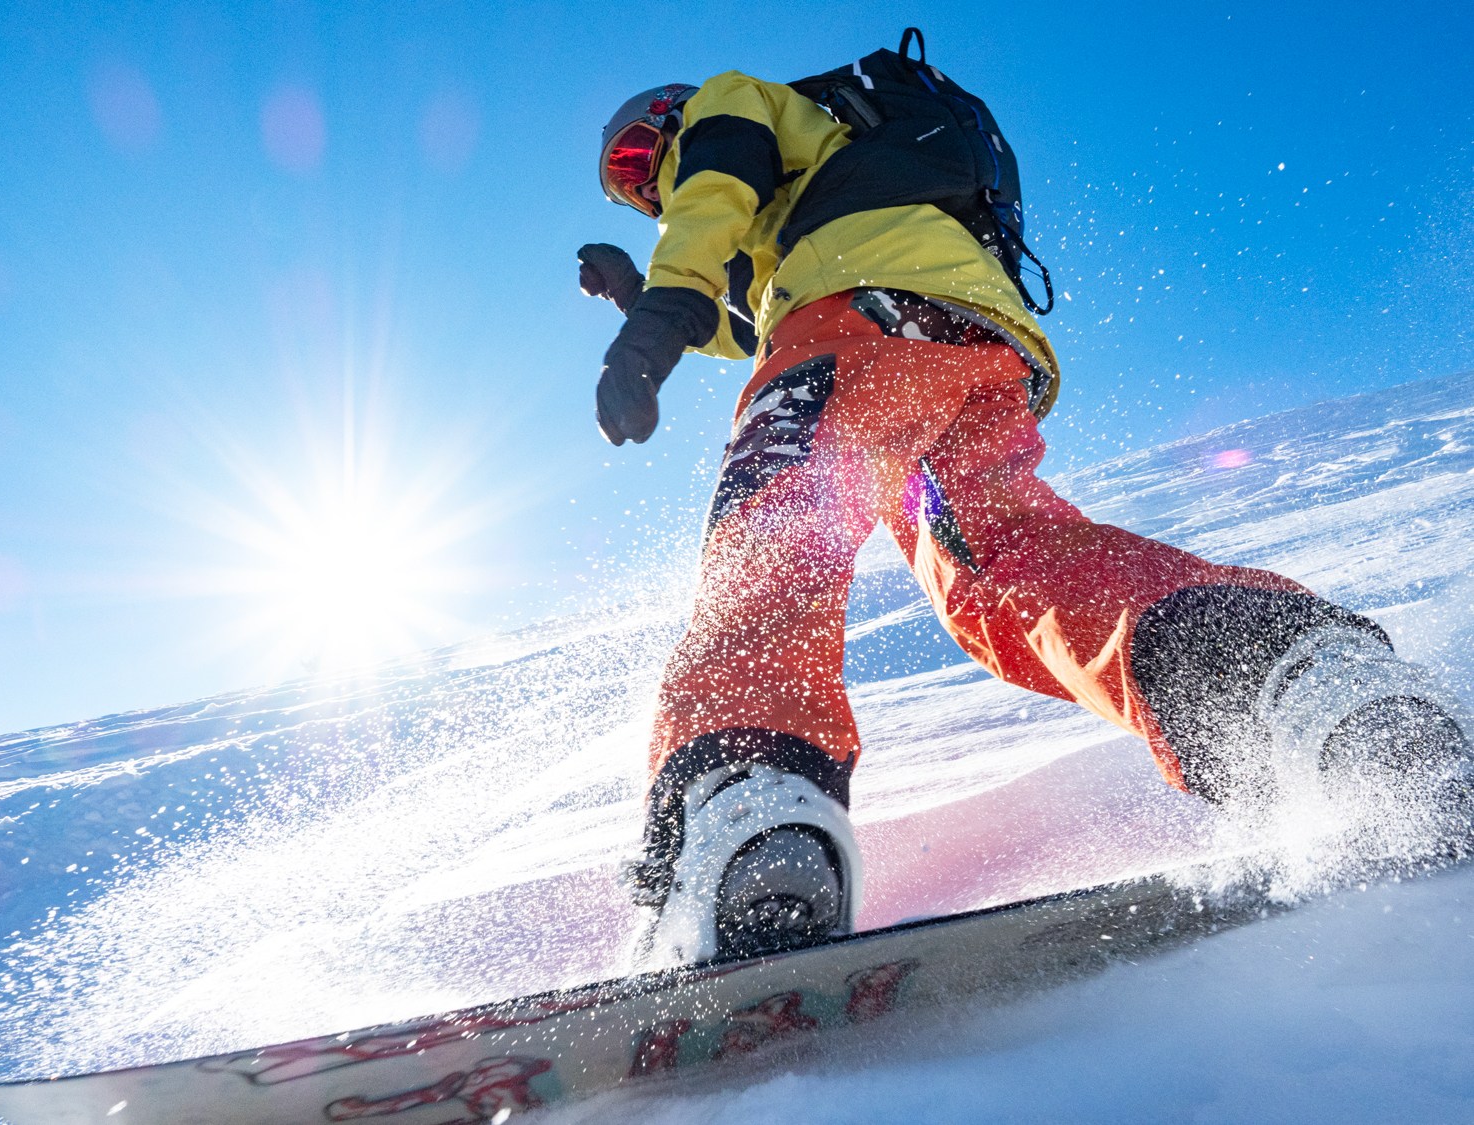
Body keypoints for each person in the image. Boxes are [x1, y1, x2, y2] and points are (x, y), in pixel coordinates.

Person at [579, 72, 1471, 968]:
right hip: (967, 341)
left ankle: (751, 816)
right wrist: (647, 299)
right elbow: (752, 302)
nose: (644, 189)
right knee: (1008, 569)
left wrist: (664, 308)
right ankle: (1305, 693)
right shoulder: (838, 173)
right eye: (627, 190)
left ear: (667, 115)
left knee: (775, 539)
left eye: (636, 161)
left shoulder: (727, 105)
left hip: (852, 325)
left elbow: (715, 189)